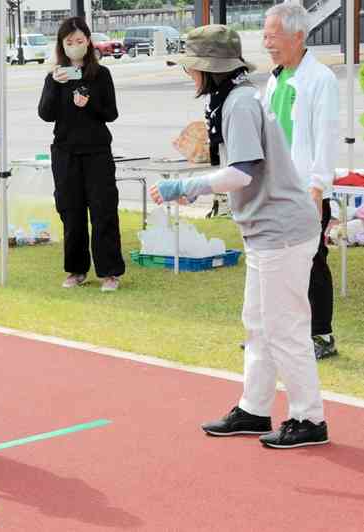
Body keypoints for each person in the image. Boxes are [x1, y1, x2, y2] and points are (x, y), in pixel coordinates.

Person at [152, 25, 329, 449]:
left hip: (280, 231)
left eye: (191, 66)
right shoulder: (235, 98)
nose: (187, 74)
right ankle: (254, 407)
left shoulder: (239, 104)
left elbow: (242, 171)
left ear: (209, 68)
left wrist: (184, 187)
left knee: (283, 327)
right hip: (270, 229)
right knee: (258, 324)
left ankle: (310, 418)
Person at [263, 3, 340, 360]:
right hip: (275, 189)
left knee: (312, 262)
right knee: (277, 265)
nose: (267, 43)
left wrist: (317, 187)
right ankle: (280, 334)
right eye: (264, 35)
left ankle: (321, 335)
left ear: (297, 36)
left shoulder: (319, 80)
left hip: (304, 190)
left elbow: (325, 137)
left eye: (273, 36)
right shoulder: (275, 78)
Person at [38, 16, 126, 292]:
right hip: (65, 153)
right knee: (71, 212)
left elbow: (110, 113)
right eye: (69, 42)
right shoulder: (55, 76)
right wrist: (54, 83)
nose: (74, 46)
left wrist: (89, 104)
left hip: (97, 151)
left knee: (103, 210)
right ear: (61, 45)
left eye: (79, 41)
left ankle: (110, 271)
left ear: (88, 42)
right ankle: (76, 270)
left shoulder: (101, 75)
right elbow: (45, 114)